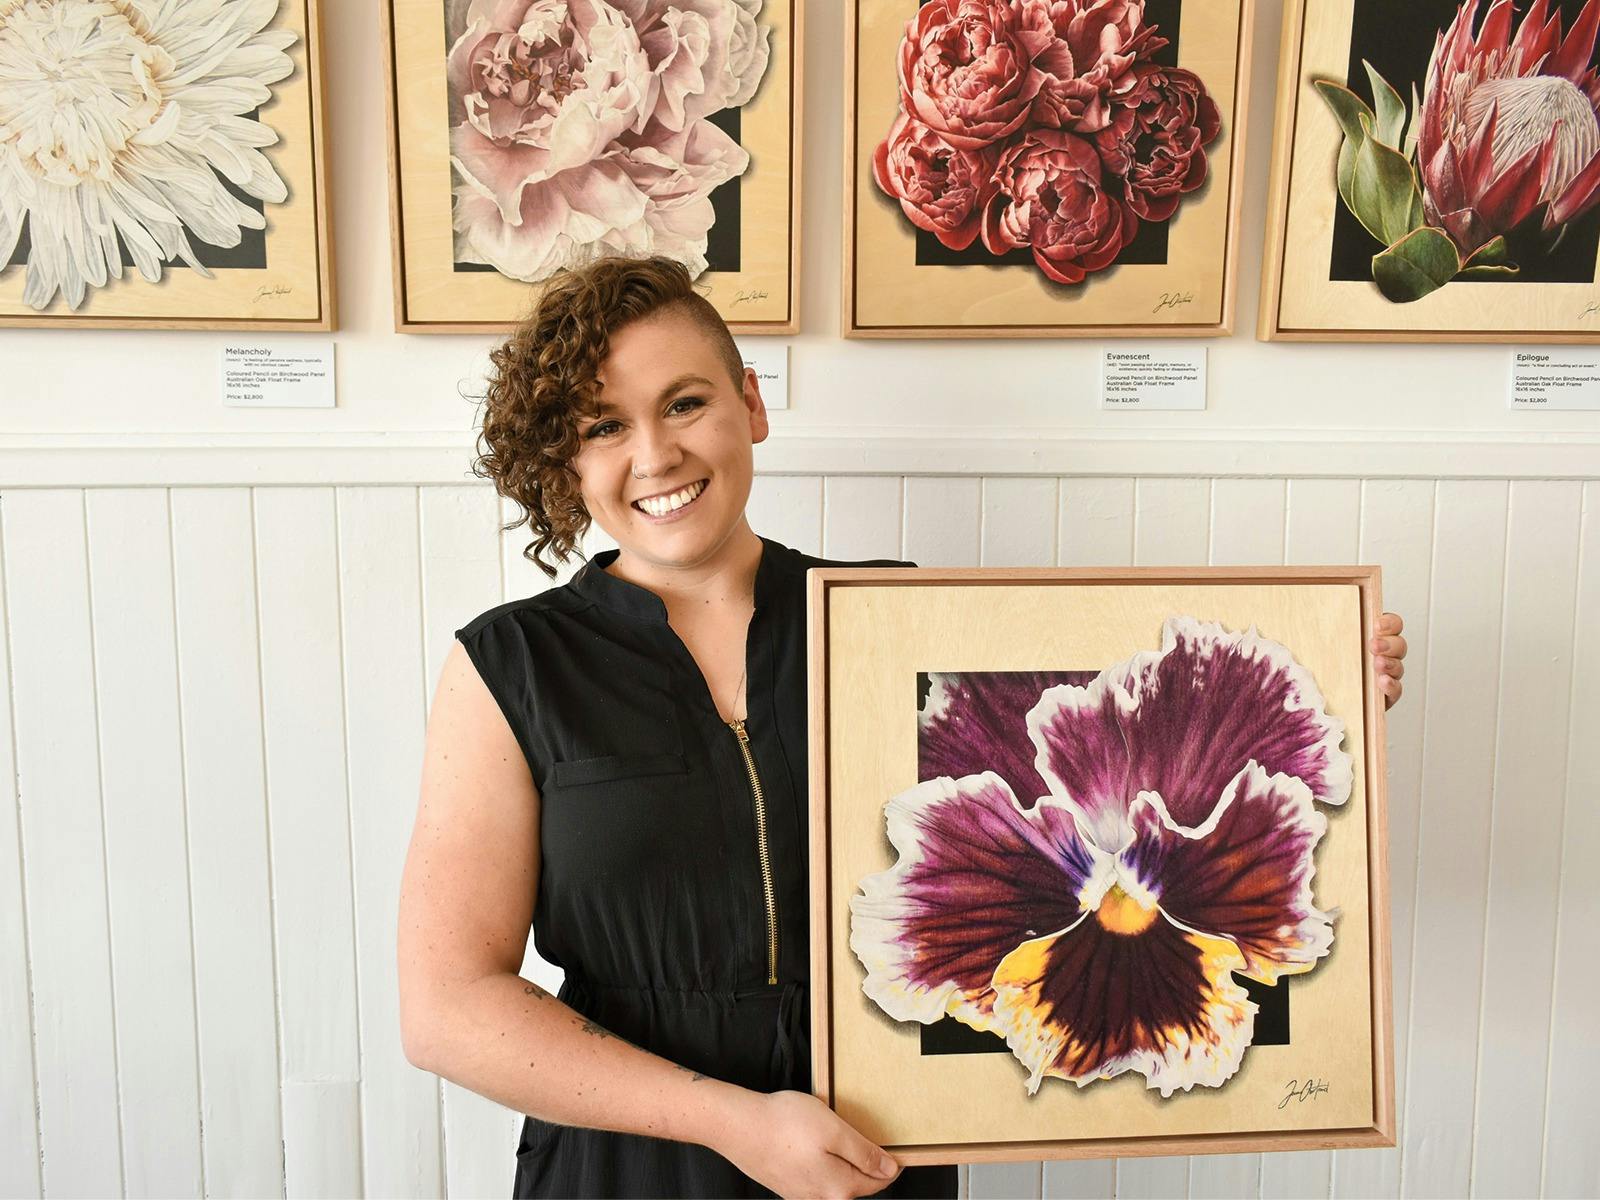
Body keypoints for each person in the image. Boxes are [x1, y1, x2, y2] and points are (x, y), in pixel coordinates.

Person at [396, 254, 1409, 1200]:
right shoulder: (511, 665)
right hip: (629, 1162)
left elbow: (1139, 754)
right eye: (602, 426)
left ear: (749, 404)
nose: (654, 454)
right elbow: (446, 1009)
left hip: (870, 1154)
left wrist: (1322, 683)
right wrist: (732, 1124)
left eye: (685, 403)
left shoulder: (895, 625)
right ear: (563, 456)